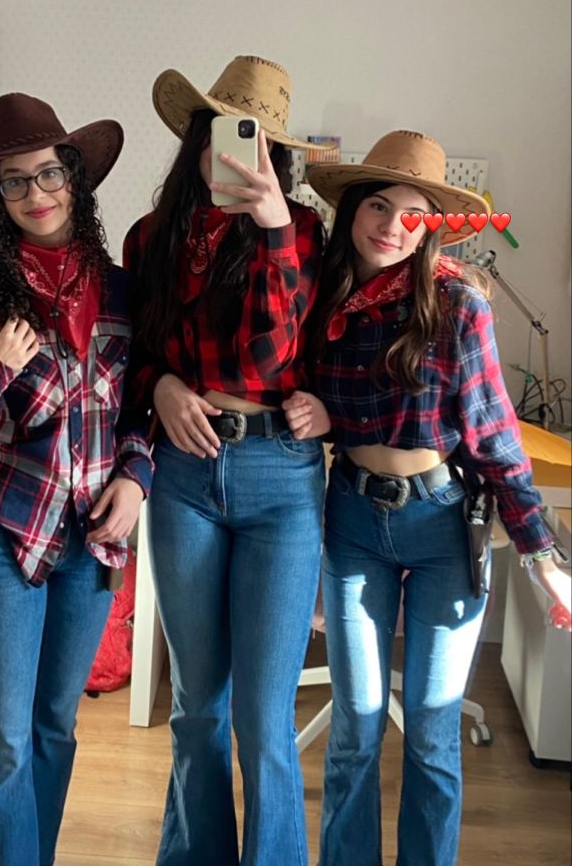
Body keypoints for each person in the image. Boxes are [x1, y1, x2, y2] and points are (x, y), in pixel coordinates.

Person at [283, 129, 571, 866]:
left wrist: (542, 556)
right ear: (351, 210)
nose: (390, 225)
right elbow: (305, 395)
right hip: (348, 520)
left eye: (412, 214)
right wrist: (318, 411)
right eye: (378, 205)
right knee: (355, 725)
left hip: (442, 526)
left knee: (434, 730)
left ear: (430, 227)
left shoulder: (456, 306)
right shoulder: (320, 299)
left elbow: (494, 437)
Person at [0, 92, 153, 866]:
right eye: (14, 181)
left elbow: (140, 412)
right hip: (0, 534)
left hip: (89, 539)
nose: (36, 194)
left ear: (75, 179)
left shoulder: (125, 294)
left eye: (48, 173)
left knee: (56, 725)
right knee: (3, 736)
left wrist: (137, 477)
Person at [123, 55, 327, 866]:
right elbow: (127, 354)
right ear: (197, 138)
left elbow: (265, 359)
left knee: (261, 716)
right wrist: (163, 383)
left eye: (258, 144)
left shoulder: (304, 234)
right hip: (183, 476)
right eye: (223, 133)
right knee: (197, 709)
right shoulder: (151, 238)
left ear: (274, 156)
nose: (237, 154)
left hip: (279, 474)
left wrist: (275, 226)